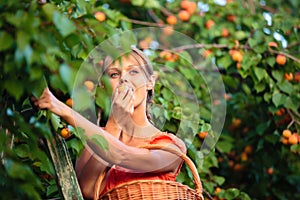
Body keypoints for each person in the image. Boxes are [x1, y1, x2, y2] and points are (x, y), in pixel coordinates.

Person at [33, 47, 186, 199]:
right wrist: (113, 125)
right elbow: (85, 191)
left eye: (133, 72)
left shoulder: (171, 146)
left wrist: (61, 108)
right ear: (105, 87)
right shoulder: (93, 139)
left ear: (149, 82)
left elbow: (122, 155)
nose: (124, 79)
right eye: (114, 74)